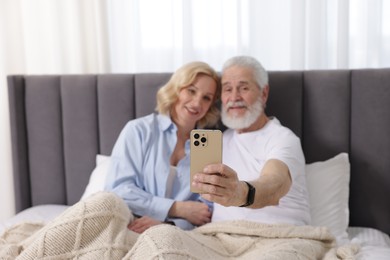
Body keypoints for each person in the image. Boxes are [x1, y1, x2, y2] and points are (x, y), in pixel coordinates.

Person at [192, 55, 311, 226]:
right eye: (227, 89)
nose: (234, 97)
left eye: (243, 88)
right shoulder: (220, 141)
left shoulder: (283, 138)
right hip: (221, 237)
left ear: (264, 93)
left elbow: (275, 183)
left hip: (279, 235)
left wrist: (240, 193)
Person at [105, 61, 221, 233]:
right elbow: (118, 190)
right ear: (176, 89)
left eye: (206, 98)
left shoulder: (207, 146)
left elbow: (205, 211)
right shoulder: (139, 130)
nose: (197, 103)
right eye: (191, 91)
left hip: (176, 234)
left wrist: (167, 226)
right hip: (129, 225)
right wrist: (176, 208)